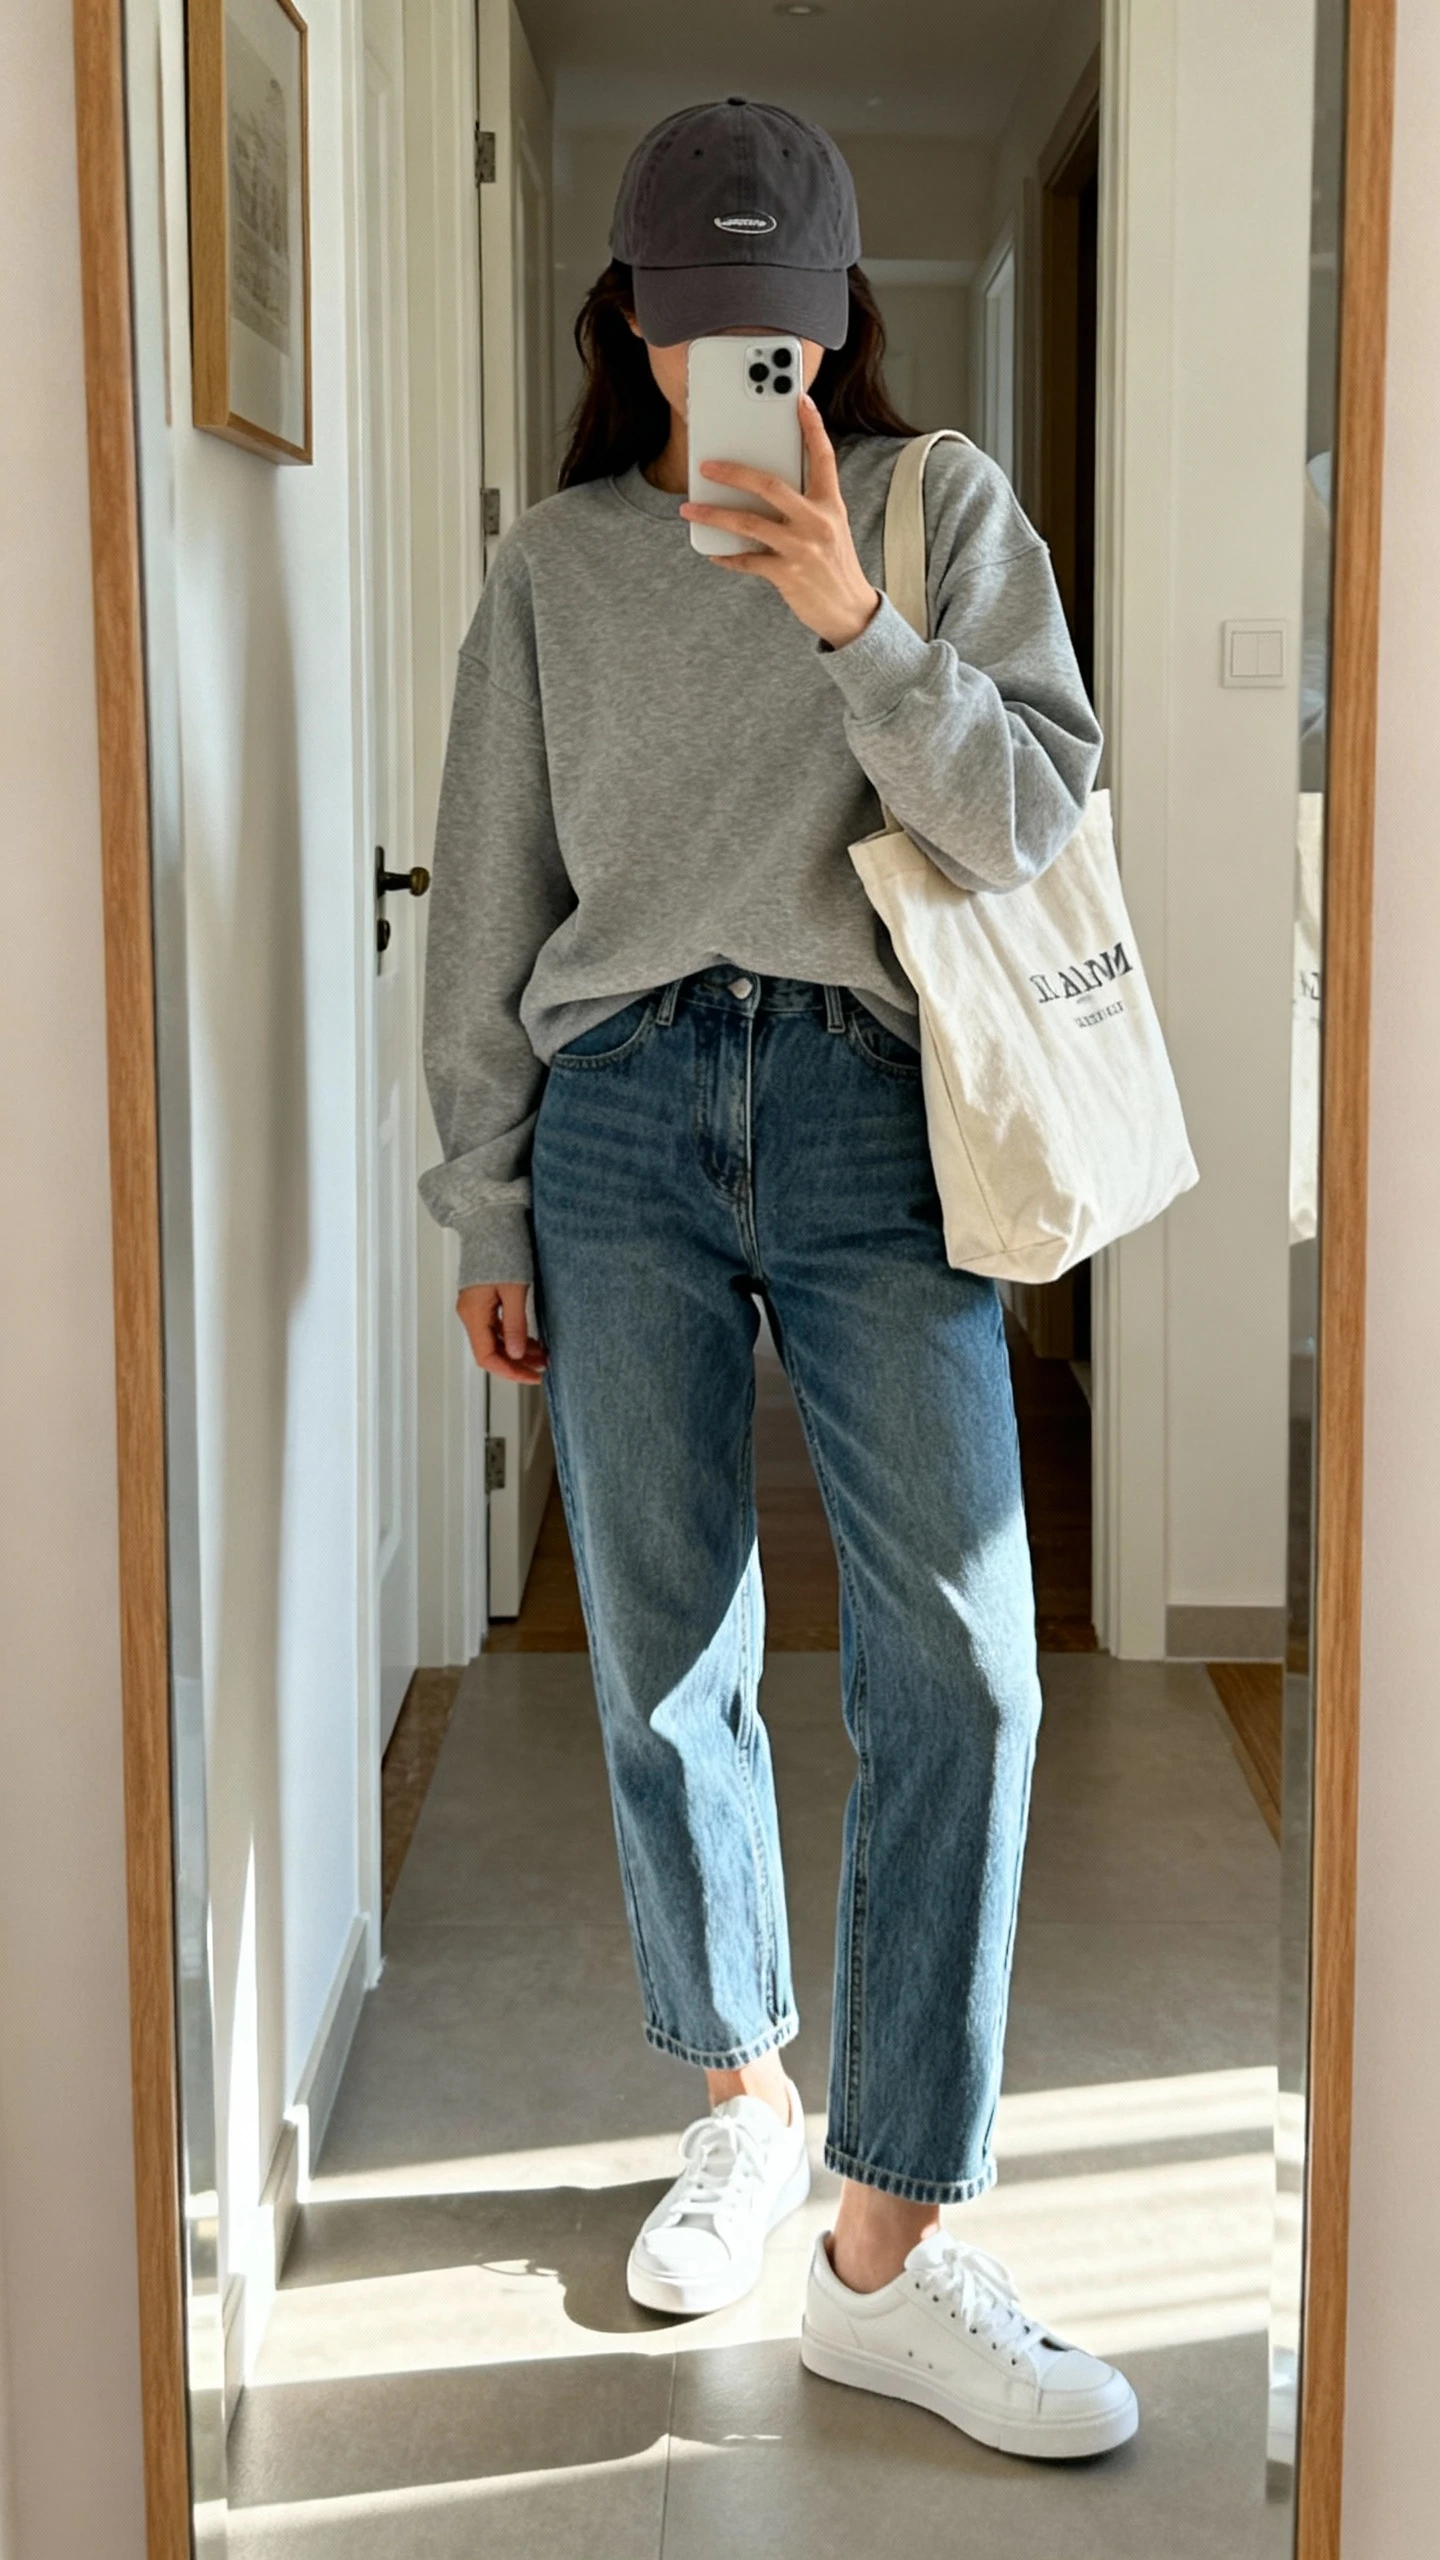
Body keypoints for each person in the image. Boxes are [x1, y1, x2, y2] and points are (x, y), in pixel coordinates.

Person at [420, 95, 1137, 2461]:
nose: (752, 368)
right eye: (703, 326)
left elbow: (1032, 808)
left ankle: (892, 2239)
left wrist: (854, 619)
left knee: (964, 1666)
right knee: (663, 1638)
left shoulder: (935, 516)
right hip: (618, 1111)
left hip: (867, 1098)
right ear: (628, 322)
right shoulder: (548, 568)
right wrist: (490, 1198)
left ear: (845, 325)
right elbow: (495, 901)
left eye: (790, 330)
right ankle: (742, 2089)